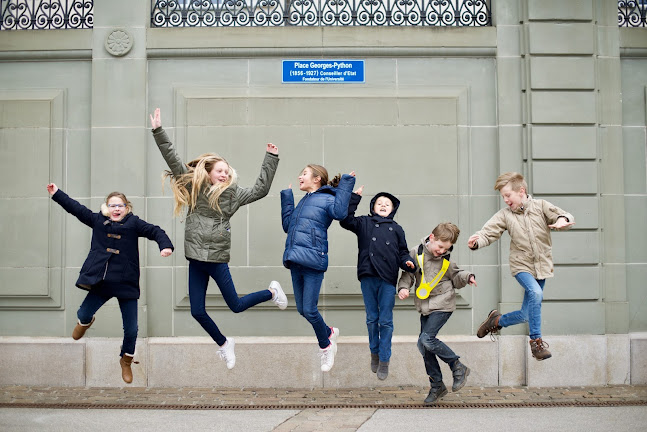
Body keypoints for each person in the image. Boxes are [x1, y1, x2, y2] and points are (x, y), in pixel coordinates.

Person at [149, 108, 287, 370]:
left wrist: (271, 158)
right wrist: (158, 131)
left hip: (216, 259)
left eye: (227, 171)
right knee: (197, 311)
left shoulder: (234, 195)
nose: (224, 174)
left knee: (235, 305)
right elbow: (174, 160)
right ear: (209, 172)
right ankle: (224, 344)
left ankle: (272, 292)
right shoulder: (195, 187)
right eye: (220, 171)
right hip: (195, 259)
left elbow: (260, 190)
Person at [46, 183, 174, 384]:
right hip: (102, 282)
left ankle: (126, 360)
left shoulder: (134, 224)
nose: (116, 209)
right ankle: (85, 322)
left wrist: (165, 245)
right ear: (106, 208)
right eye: (112, 205)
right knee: (83, 313)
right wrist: (56, 193)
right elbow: (76, 209)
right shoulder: (97, 221)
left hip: (126, 283)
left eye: (120, 206)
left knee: (131, 329)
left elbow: (155, 231)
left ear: (127, 208)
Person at [467, 172, 574, 361]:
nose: (506, 200)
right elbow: (488, 232)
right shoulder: (505, 215)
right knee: (536, 294)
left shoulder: (541, 206)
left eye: (508, 195)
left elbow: (563, 215)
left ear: (521, 191)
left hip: (541, 267)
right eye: (503, 197)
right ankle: (536, 343)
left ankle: (496, 321)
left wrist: (561, 221)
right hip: (521, 266)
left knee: (526, 314)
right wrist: (477, 242)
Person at [280, 164, 355, 372]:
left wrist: (347, 183)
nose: (299, 176)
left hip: (313, 260)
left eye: (303, 173)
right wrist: (287, 198)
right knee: (303, 309)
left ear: (317, 179)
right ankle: (329, 331)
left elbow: (340, 213)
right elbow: (288, 227)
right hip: (296, 259)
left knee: (311, 309)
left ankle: (326, 345)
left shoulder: (327, 199)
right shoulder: (304, 201)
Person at [339, 186, 415, 380]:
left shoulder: (397, 229)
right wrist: (354, 198)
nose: (383, 205)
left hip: (388, 279)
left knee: (386, 321)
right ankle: (374, 352)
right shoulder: (364, 222)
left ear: (393, 209)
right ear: (373, 206)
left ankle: (384, 359)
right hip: (368, 275)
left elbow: (402, 251)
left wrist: (407, 262)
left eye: (387, 204)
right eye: (379, 203)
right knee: (372, 319)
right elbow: (345, 220)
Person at [398, 223, 476, 405]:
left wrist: (468, 277)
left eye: (446, 249)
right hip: (425, 305)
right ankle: (437, 385)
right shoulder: (415, 253)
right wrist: (403, 288)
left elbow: (456, 276)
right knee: (423, 346)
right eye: (440, 247)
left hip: (443, 304)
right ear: (431, 238)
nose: (441, 251)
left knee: (426, 339)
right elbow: (407, 275)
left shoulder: (445, 260)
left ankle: (457, 366)